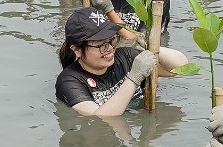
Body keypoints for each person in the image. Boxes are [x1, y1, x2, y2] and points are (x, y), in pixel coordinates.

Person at [54, 7, 188, 117]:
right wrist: (134, 78)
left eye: (111, 40)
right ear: (77, 50)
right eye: (101, 45)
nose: (110, 49)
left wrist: (152, 47)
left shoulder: (126, 57)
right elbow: (99, 118)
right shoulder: (69, 81)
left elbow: (180, 67)